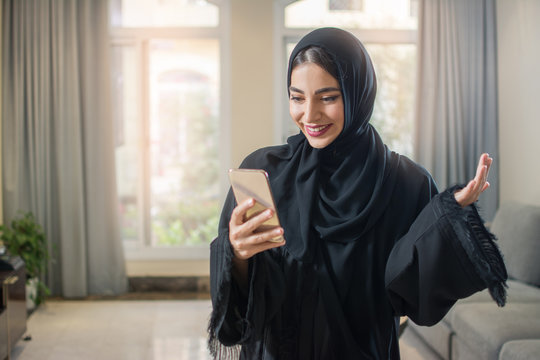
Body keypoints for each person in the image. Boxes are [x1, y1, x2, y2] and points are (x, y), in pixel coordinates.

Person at [208, 27, 507, 359]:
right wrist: (236, 254)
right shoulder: (265, 170)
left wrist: (450, 216)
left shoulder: (406, 182)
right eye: (297, 97)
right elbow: (240, 302)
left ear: (357, 93)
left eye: (328, 97)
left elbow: (410, 291)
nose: (309, 115)